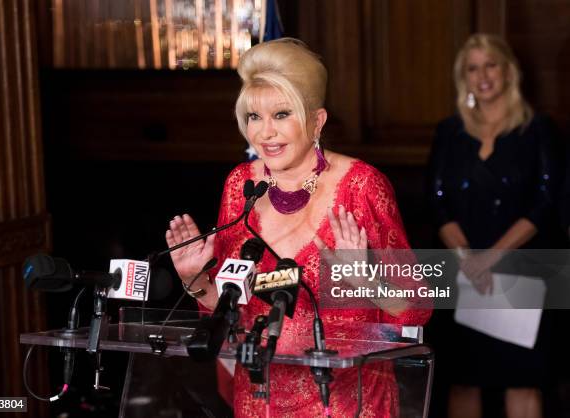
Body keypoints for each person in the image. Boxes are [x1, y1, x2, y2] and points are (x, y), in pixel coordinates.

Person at [166, 38, 430, 417]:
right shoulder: (240, 186)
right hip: (261, 398)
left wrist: (366, 281)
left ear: (317, 120)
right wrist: (195, 280)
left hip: (344, 401)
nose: (265, 133)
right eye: (254, 117)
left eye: (282, 115)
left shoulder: (362, 186)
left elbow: (416, 309)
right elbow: (231, 309)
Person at [426, 34, 561, 418]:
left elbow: (545, 203)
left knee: (521, 380)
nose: (482, 75)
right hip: (460, 271)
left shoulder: (538, 130)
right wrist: (469, 260)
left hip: (522, 273)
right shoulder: (449, 132)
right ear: (463, 77)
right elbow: (437, 202)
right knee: (463, 379)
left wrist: (488, 260)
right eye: (472, 68)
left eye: (490, 65)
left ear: (508, 71)